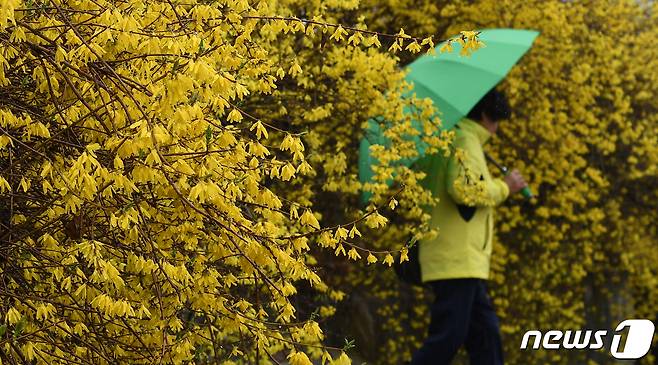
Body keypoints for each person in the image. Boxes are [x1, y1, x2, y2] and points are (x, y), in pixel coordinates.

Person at [410, 88, 527, 365]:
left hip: (461, 258)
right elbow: (464, 190)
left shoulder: (451, 137)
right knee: (447, 337)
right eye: (497, 121)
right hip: (457, 257)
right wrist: (505, 187)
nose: (497, 130)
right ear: (486, 114)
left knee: (486, 337)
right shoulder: (464, 139)